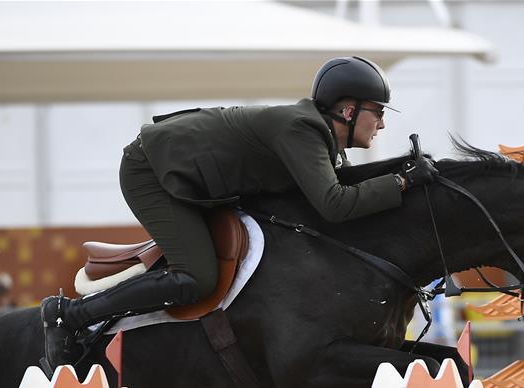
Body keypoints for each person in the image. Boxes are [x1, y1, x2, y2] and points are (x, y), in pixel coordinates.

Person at [40, 56, 437, 371]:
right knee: (196, 276)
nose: (383, 122)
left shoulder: (321, 140)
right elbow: (335, 204)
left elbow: (343, 186)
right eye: (378, 111)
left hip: (188, 176)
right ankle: (69, 316)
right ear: (348, 111)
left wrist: (401, 174)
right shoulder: (303, 130)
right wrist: (402, 183)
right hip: (151, 172)